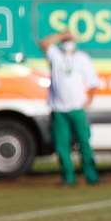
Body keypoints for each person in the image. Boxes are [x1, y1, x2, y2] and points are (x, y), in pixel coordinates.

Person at [40, 30, 100, 186]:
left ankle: (91, 176)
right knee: (62, 146)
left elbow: (93, 83)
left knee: (84, 143)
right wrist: (61, 35)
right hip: (59, 109)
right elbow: (44, 43)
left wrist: (89, 100)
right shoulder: (55, 54)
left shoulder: (82, 58)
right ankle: (68, 177)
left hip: (77, 108)